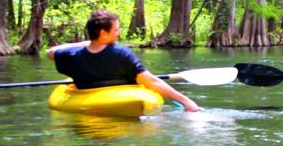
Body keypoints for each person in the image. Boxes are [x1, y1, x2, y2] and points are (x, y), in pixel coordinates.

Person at [46, 10, 201, 111]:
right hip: (124, 98)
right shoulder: (122, 54)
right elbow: (152, 82)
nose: (119, 33)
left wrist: (86, 43)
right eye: (116, 29)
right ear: (103, 33)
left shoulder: (72, 55)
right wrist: (186, 101)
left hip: (87, 102)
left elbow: (51, 52)